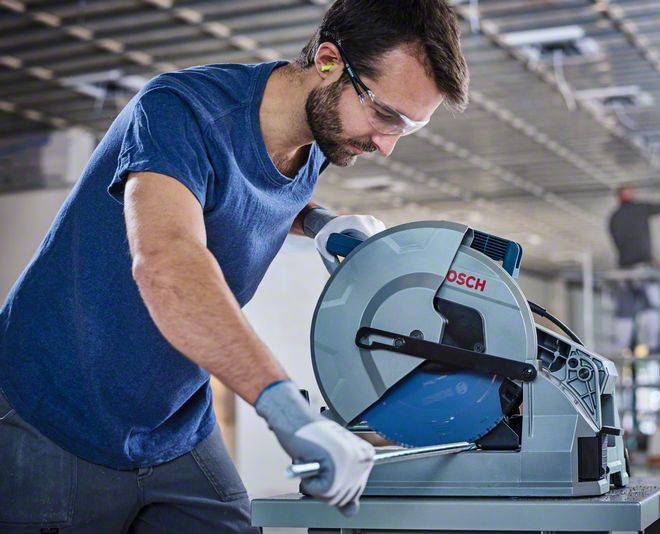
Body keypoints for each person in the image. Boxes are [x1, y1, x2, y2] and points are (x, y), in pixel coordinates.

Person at [0, 1, 469, 531]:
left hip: (173, 420)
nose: (386, 147)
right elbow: (166, 262)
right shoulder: (179, 110)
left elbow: (242, 191)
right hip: (54, 408)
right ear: (328, 62)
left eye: (408, 129)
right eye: (385, 115)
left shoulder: (319, 137)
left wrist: (319, 222)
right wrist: (287, 412)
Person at [608, 181, 660, 353]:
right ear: (626, 194)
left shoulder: (614, 218)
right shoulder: (639, 209)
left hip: (624, 271)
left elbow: (618, 242)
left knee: (625, 311)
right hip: (643, 267)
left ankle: (619, 351)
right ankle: (653, 346)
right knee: (652, 306)